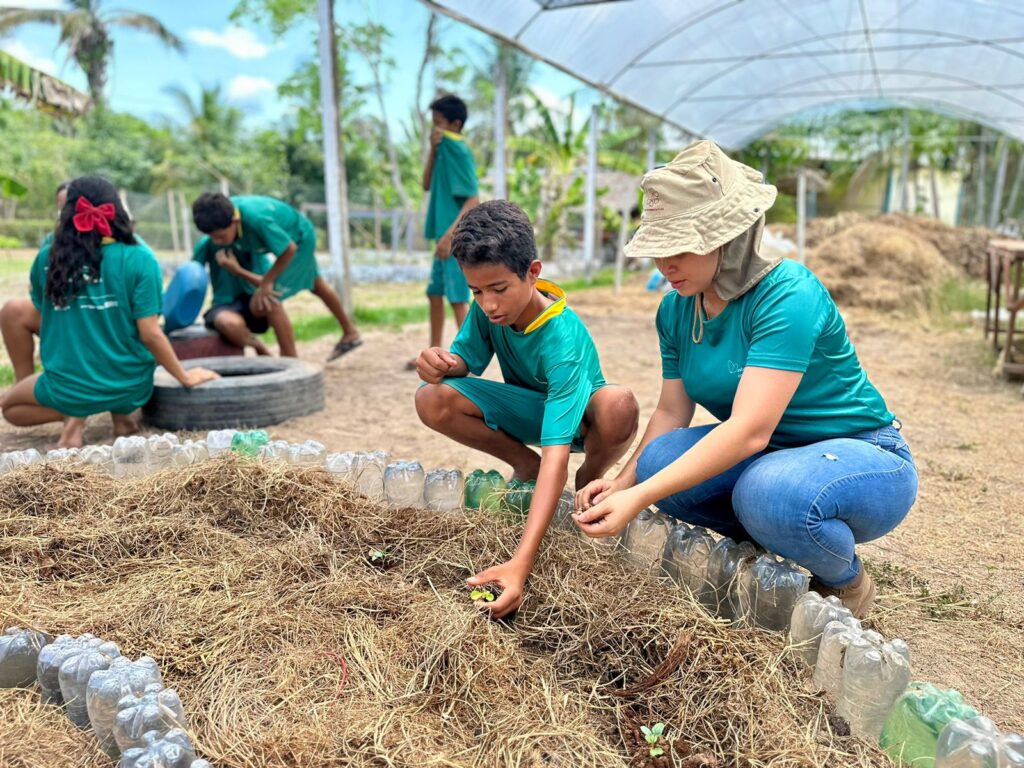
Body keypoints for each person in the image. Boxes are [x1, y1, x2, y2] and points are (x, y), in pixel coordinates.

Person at [573, 141, 918, 618]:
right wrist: (624, 482)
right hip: (769, 455)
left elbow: (750, 430)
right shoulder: (677, 309)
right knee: (659, 462)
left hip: (861, 456)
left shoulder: (787, 294)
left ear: (729, 236)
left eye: (681, 246)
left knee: (769, 493)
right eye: (658, 248)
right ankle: (767, 549)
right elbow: (673, 410)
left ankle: (845, 581)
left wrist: (639, 499)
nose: (665, 264)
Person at [414, 200, 640, 619]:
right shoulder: (489, 313)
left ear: (533, 272)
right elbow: (467, 361)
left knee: (619, 403)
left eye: (499, 289)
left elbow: (558, 449)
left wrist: (521, 563)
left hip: (580, 421)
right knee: (431, 397)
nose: (489, 304)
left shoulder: (561, 338)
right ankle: (524, 464)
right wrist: (442, 363)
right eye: (476, 292)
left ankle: (591, 478)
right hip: (531, 412)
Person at [1, 175, 218, 447]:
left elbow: (48, 318)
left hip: (70, 387)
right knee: (117, 360)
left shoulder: (47, 258)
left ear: (66, 213)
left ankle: (75, 413)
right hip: (129, 386)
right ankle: (123, 418)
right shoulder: (141, 258)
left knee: (10, 408)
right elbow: (150, 334)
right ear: (117, 209)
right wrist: (184, 376)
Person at [191, 192, 361, 361]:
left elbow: (289, 249)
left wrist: (263, 280)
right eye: (212, 237)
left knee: (270, 297)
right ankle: (350, 332)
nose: (217, 241)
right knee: (316, 284)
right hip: (277, 251)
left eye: (221, 236)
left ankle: (290, 361)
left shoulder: (256, 221)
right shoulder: (221, 218)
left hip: (298, 239)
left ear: (235, 222)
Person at [408, 94, 480, 368]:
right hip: (441, 237)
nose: (434, 129)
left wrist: (451, 236)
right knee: (434, 293)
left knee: (458, 299)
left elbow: (473, 198)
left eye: (438, 123)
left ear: (455, 124)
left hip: (453, 238)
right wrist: (432, 150)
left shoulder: (457, 149)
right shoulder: (441, 148)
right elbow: (426, 185)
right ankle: (432, 353)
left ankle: (471, 361)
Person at [0, 181, 69, 383]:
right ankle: (24, 384)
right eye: (61, 205)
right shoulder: (50, 243)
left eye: (70, 203)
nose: (65, 210)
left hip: (96, 321)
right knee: (13, 311)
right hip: (60, 314)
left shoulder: (123, 247)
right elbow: (37, 286)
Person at [192, 236, 297, 357]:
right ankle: (259, 346)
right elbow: (192, 274)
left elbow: (272, 285)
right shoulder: (207, 243)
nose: (219, 240)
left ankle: (292, 358)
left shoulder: (252, 242)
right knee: (228, 323)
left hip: (253, 301)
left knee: (273, 302)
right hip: (223, 305)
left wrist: (238, 271)